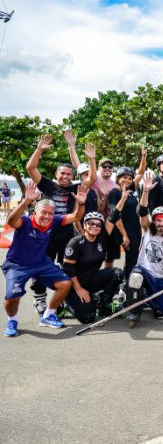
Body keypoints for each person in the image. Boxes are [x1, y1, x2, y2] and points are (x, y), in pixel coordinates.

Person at [3, 181, 86, 336]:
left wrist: (81, 203)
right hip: (17, 265)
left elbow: (76, 217)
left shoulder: (53, 221)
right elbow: (11, 221)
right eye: (44, 212)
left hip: (40, 262)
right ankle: (12, 320)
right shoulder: (26, 222)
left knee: (65, 283)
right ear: (35, 211)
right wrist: (25, 201)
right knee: (12, 295)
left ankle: (48, 315)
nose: (47, 216)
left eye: (50, 213)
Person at [26, 134, 97, 316]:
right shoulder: (48, 186)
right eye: (62, 173)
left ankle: (64, 297)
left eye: (68, 174)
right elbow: (31, 167)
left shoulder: (74, 188)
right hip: (46, 234)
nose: (65, 176)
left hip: (67, 234)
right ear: (56, 174)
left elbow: (91, 179)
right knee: (41, 264)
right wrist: (39, 149)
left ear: (72, 176)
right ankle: (40, 298)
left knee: (67, 267)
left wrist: (91, 159)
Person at [124, 171, 163, 327]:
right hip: (143, 271)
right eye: (158, 220)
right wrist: (145, 191)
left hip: (158, 279)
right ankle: (134, 311)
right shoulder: (146, 230)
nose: (161, 224)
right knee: (136, 276)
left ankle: (141, 296)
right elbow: (142, 211)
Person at [62, 205, 125, 324]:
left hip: (91, 280)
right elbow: (68, 268)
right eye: (91, 223)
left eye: (98, 225)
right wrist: (79, 289)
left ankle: (104, 304)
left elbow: (113, 216)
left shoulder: (101, 239)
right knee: (88, 318)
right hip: (74, 286)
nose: (94, 226)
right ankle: (67, 305)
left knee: (117, 274)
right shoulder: (75, 243)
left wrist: (123, 198)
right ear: (84, 225)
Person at [106, 167, 141, 277]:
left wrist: (143, 157)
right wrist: (124, 235)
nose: (127, 180)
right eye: (124, 177)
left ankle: (130, 281)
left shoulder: (129, 192)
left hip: (135, 229)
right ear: (118, 179)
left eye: (130, 178)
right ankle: (127, 283)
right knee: (131, 257)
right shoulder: (115, 193)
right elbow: (115, 215)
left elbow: (140, 173)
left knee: (134, 257)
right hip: (124, 230)